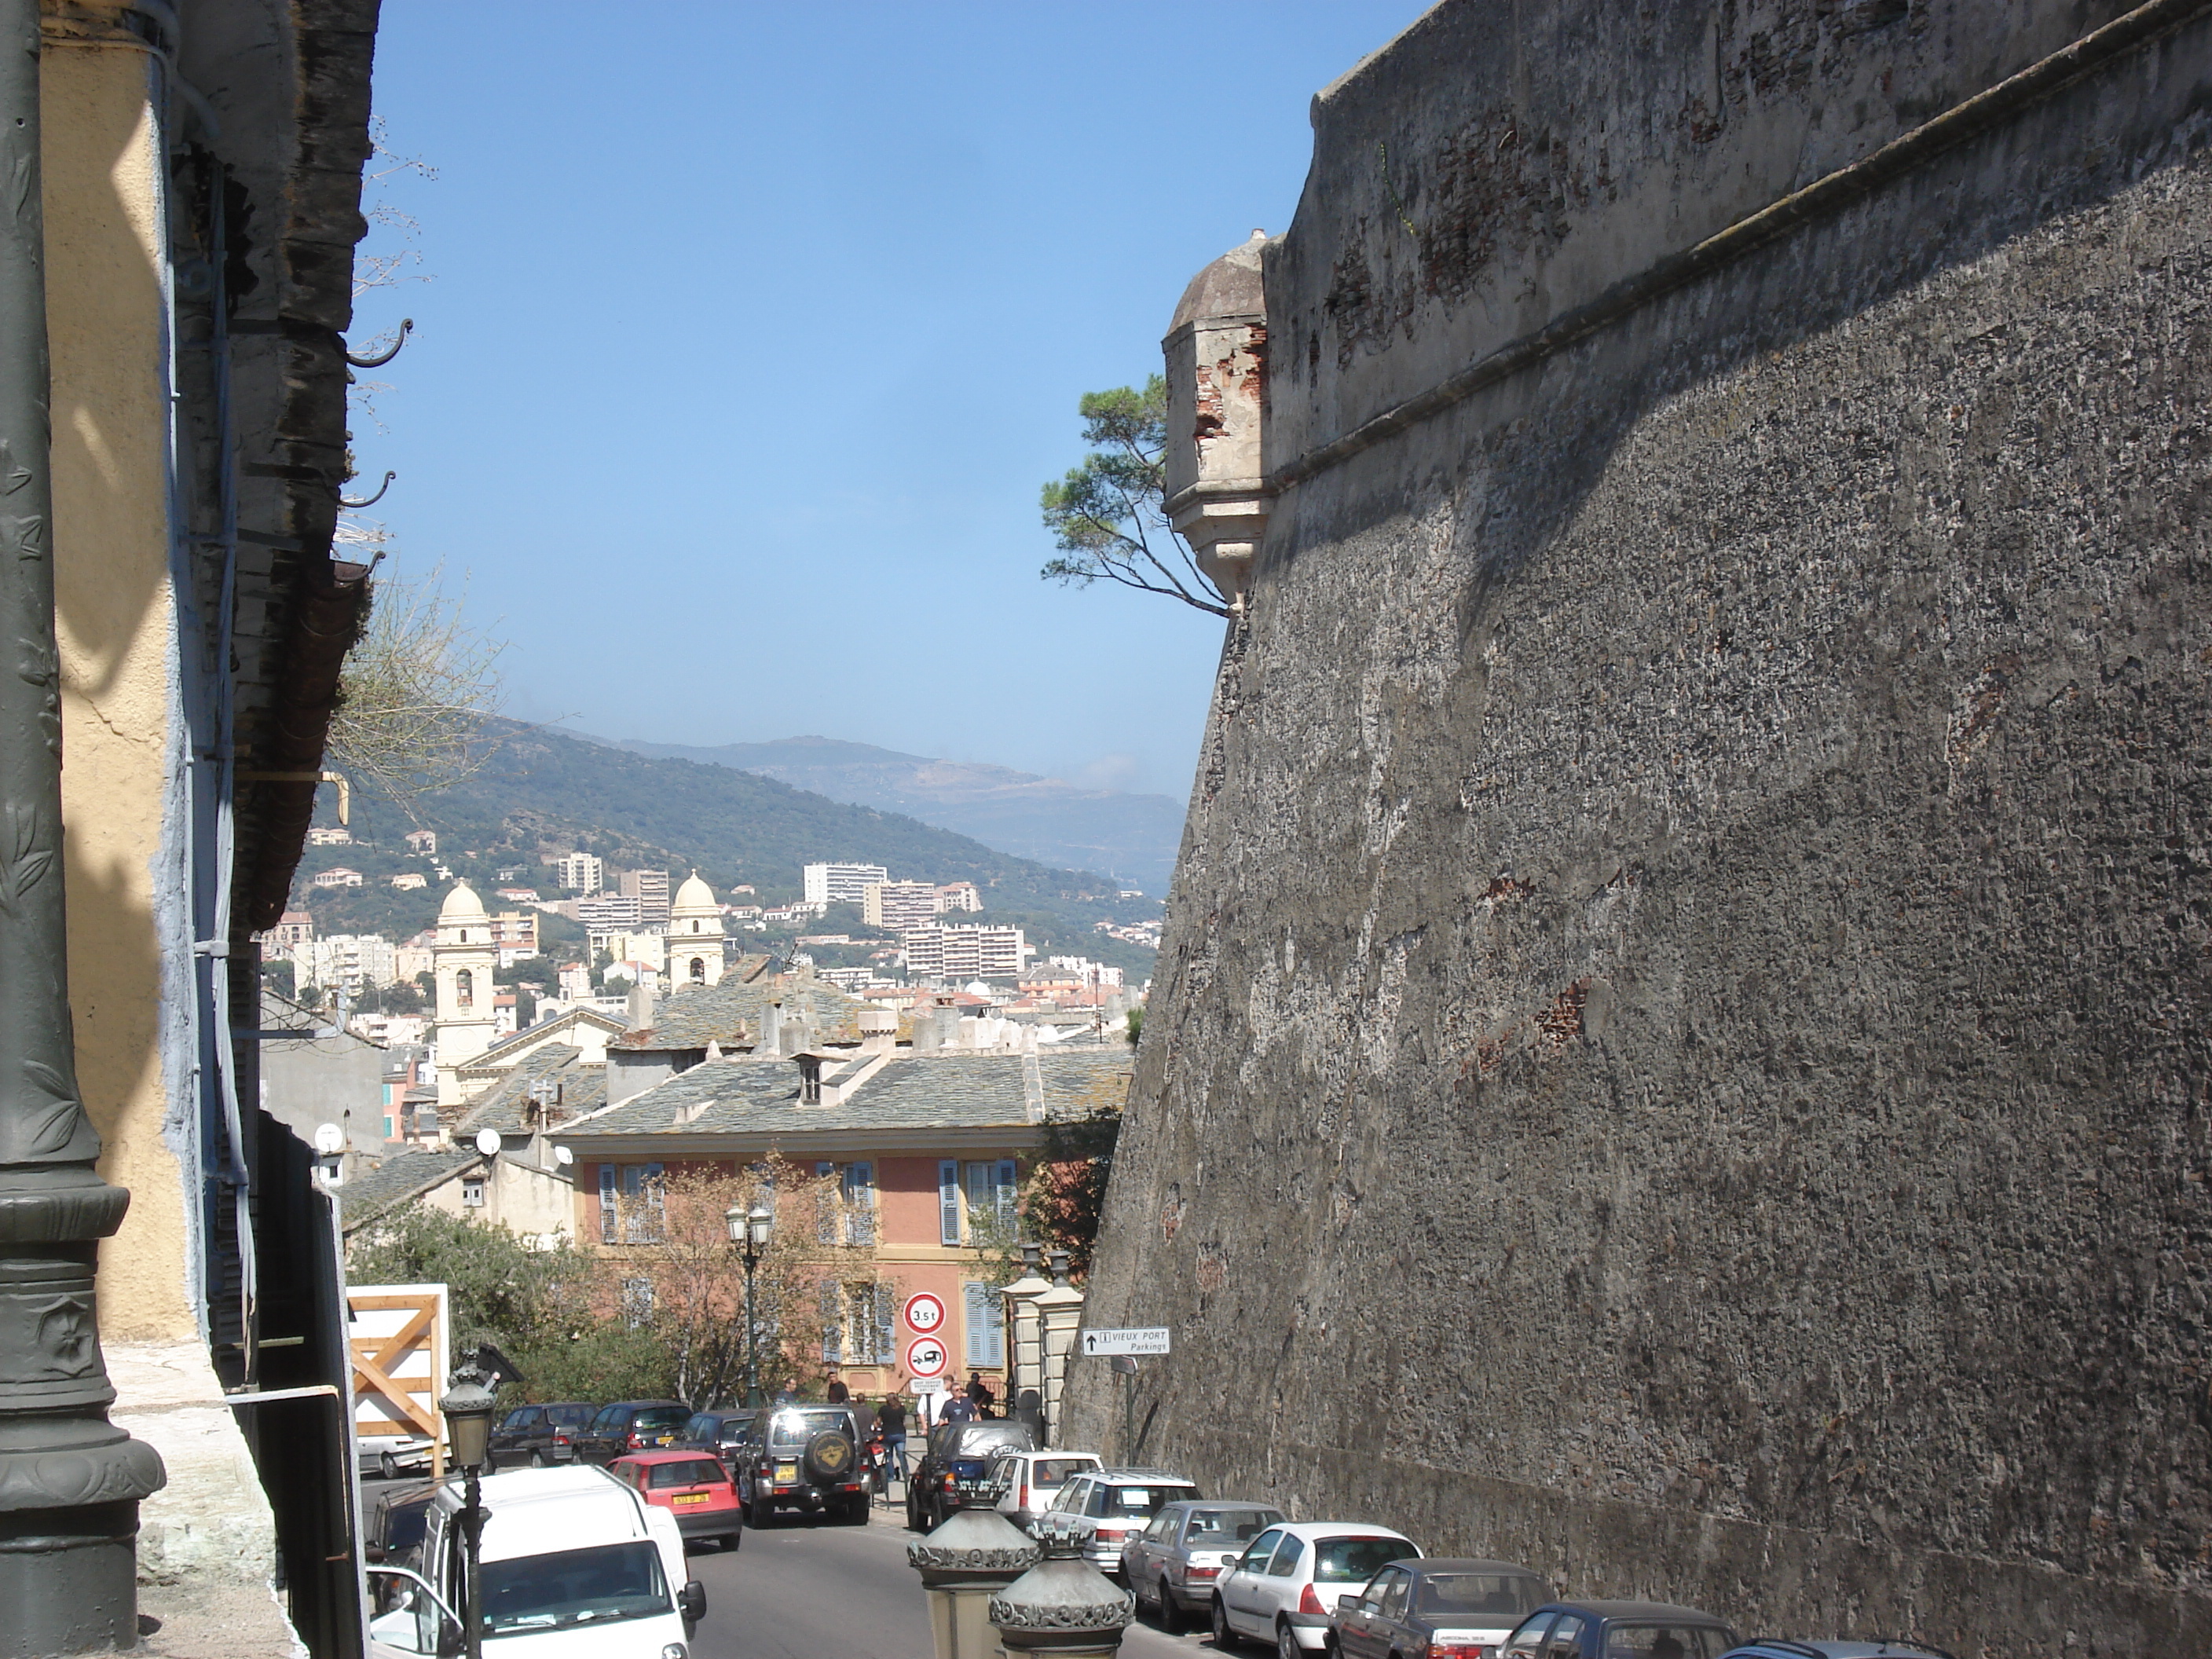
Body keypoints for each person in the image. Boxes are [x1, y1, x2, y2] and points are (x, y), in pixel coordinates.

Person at [876, 1392, 908, 1496]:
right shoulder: (901, 1409)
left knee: (889, 1456)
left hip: (888, 1434)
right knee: (901, 1455)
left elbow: (878, 1421)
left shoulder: (883, 1409)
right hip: (900, 1433)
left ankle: (891, 1476)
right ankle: (906, 1473)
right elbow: (904, 1421)